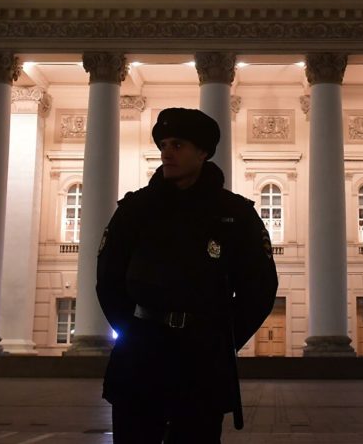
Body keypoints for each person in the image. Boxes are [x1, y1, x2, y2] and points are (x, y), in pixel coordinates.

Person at [97, 107, 279, 443]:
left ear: (203, 152)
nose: (167, 152)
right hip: (141, 355)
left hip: (201, 358)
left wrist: (222, 340)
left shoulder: (234, 215)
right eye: (163, 144)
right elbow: (108, 280)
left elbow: (260, 289)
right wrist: (135, 329)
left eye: (178, 145)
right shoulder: (135, 211)